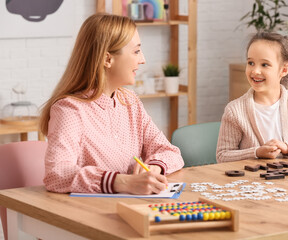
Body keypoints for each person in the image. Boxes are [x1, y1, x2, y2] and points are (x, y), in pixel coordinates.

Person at [39, 13, 184, 194]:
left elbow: (169, 151)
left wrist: (154, 168)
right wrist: (122, 182)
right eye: (136, 51)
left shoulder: (130, 102)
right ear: (107, 59)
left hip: (134, 207)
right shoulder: (70, 110)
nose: (143, 59)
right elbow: (57, 174)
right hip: (91, 215)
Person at [217, 32, 288, 162]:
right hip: (251, 181)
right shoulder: (234, 111)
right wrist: (256, 152)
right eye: (250, 63)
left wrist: (287, 147)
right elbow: (223, 156)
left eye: (264, 65)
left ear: (284, 70)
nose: (255, 71)